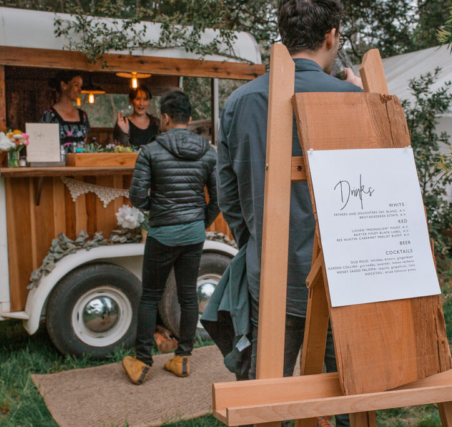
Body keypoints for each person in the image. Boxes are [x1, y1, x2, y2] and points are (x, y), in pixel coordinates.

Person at [216, 1, 362, 425]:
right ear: (332, 35)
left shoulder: (241, 101)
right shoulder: (351, 98)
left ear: (282, 36)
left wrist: (257, 238)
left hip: (271, 274)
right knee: (347, 394)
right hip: (342, 274)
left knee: (268, 398)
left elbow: (228, 192)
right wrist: (363, 95)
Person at [122, 90, 220, 384]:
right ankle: (183, 358)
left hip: (162, 234)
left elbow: (137, 197)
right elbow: (217, 199)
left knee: (150, 296)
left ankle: (141, 363)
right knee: (188, 295)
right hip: (192, 233)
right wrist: (198, 222)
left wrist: (160, 212)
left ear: (164, 118)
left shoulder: (150, 151)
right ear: (189, 119)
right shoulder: (208, 151)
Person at [40, 71, 91, 146]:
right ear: (64, 85)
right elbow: (43, 144)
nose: (80, 90)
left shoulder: (83, 116)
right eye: (76, 85)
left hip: (79, 158)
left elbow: (85, 142)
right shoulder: (49, 115)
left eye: (81, 87)